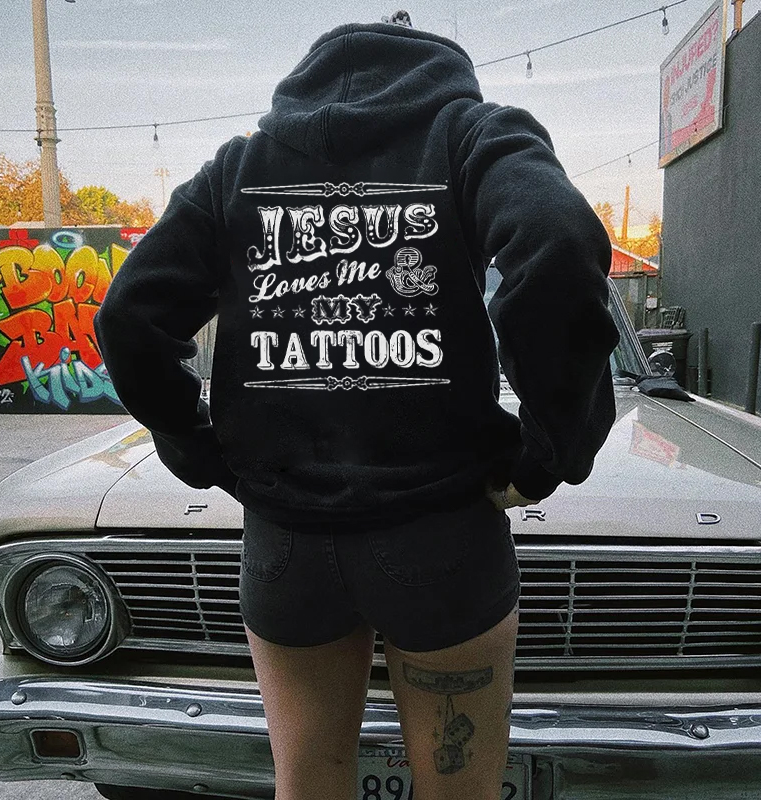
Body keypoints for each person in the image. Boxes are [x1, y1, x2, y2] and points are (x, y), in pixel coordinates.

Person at [94, 10, 620, 800]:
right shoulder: (472, 136)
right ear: (438, 66)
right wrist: (547, 454)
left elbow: (129, 316)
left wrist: (198, 447)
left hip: (286, 542)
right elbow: (557, 242)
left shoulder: (240, 167)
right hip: (442, 536)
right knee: (460, 791)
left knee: (307, 780)